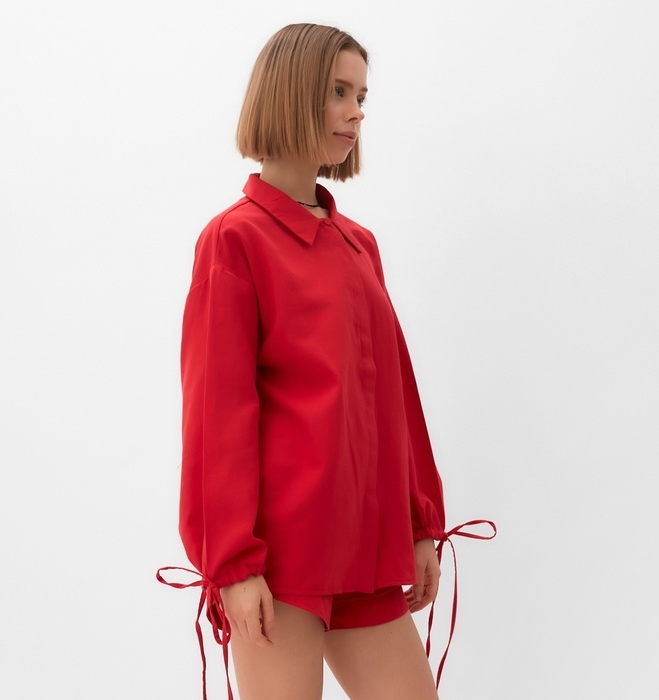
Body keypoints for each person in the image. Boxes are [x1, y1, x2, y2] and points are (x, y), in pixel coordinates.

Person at [158, 22, 495, 700]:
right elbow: (218, 414)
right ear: (290, 93)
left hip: (366, 548)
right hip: (281, 560)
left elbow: (395, 395)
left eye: (361, 96)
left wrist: (421, 522)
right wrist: (233, 565)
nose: (356, 112)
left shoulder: (358, 243)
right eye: (338, 92)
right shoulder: (234, 240)